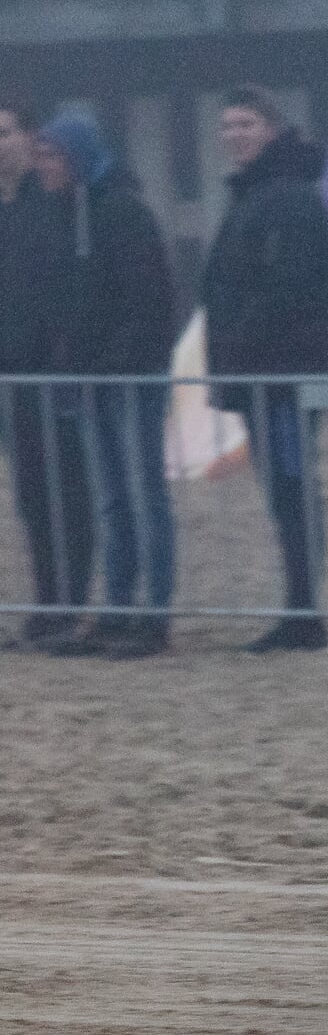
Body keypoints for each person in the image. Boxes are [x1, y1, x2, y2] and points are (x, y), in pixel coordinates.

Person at [35, 112, 181, 658]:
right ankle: (119, 608)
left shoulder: (121, 213)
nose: (42, 165)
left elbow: (146, 301)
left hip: (130, 378)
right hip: (96, 378)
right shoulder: (69, 214)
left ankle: (154, 614)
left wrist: (112, 362)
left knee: (144, 494)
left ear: (74, 158)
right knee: (114, 499)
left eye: (50, 155)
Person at [201, 85, 328, 652]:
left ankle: (305, 610)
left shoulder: (286, 197)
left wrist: (244, 340)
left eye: (247, 124)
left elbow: (290, 288)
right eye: (229, 125)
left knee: (291, 487)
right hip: (264, 373)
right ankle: (299, 606)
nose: (235, 135)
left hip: (284, 375)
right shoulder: (258, 195)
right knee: (284, 488)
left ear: (272, 131)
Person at [0, 93, 94, 650]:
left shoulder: (53, 204)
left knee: (68, 493)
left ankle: (68, 602)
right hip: (8, 381)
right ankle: (45, 602)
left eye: (8, 133)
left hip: (50, 374)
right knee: (32, 496)